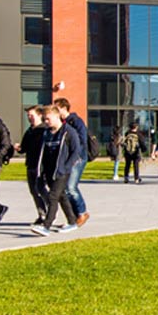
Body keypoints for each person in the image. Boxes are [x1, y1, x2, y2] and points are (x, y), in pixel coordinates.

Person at [31, 106, 85, 236]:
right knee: (62, 196)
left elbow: (76, 151)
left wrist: (67, 167)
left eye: (48, 119)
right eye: (44, 119)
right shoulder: (47, 133)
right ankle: (72, 221)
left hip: (62, 171)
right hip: (49, 171)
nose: (46, 122)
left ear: (57, 117)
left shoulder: (69, 132)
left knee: (53, 196)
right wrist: (41, 170)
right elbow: (44, 153)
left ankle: (46, 225)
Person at [52, 98, 91, 228]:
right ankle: (73, 217)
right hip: (66, 159)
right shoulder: (61, 123)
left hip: (78, 158)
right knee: (65, 189)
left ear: (64, 108)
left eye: (56, 108)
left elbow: (82, 141)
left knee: (70, 187)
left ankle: (82, 213)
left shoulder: (76, 122)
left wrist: (76, 157)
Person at [17, 105, 49, 226]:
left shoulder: (44, 131)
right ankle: (42, 214)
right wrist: (18, 148)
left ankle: (51, 211)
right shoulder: (30, 131)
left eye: (31, 115)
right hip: (30, 164)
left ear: (40, 115)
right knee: (34, 191)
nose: (29, 118)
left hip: (41, 165)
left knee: (41, 189)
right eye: (28, 116)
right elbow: (23, 148)